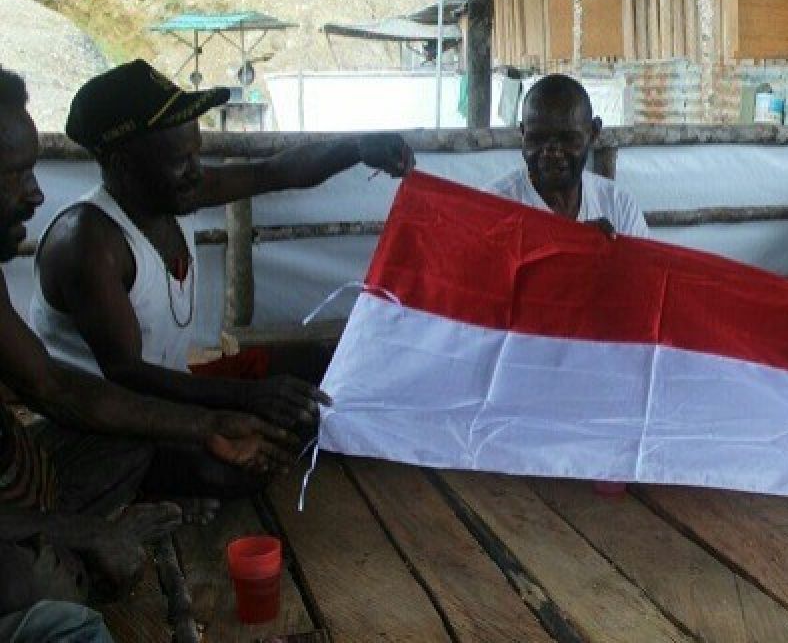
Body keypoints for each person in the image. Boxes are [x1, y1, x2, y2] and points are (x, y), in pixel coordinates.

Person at [30, 59, 414, 494]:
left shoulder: (173, 193)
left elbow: (274, 172)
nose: (196, 170)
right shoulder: (88, 242)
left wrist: (357, 148)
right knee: (229, 468)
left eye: (197, 152)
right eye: (180, 159)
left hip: (173, 393)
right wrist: (246, 397)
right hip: (113, 422)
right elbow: (127, 375)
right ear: (122, 165)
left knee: (326, 365)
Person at [0, 66, 293, 634]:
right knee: (22, 585)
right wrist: (85, 533)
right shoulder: (87, 239)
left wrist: (204, 423)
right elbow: (117, 375)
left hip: (33, 475)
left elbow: (52, 386)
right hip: (24, 508)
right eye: (14, 175)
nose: (35, 191)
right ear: (128, 165)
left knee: (154, 447)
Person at [487, 73, 649, 238]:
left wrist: (604, 253)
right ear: (523, 134)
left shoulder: (618, 206)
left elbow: (643, 264)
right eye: (538, 138)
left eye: (567, 139)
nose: (552, 153)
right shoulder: (494, 207)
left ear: (593, 133)